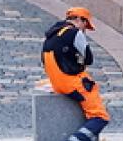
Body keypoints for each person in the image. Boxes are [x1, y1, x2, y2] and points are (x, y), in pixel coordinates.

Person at [42, 7, 110, 141]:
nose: (84, 30)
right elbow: (89, 59)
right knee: (100, 117)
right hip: (72, 83)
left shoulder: (51, 35)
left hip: (56, 83)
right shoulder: (75, 33)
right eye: (85, 25)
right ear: (79, 20)